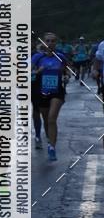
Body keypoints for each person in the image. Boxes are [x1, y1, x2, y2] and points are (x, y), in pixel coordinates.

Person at [32, 32, 68, 161]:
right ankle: (49, 140)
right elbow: (27, 73)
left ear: (56, 43)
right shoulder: (37, 57)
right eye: (48, 41)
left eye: (53, 41)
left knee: (52, 119)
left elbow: (66, 71)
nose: (50, 43)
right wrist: (37, 71)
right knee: (46, 119)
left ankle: (52, 147)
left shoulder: (61, 57)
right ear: (43, 43)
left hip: (57, 92)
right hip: (42, 92)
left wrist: (65, 76)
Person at [31, 38, 44, 149]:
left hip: (36, 86)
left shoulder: (40, 56)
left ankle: (38, 134)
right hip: (20, 86)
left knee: (36, 112)